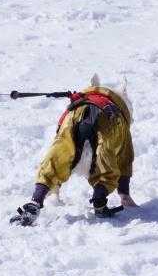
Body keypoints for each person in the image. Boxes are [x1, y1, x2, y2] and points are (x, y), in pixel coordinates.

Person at [10, 79, 138, 226]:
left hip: (75, 118)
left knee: (59, 153)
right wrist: (124, 193)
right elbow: (125, 159)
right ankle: (99, 201)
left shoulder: (79, 102)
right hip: (106, 124)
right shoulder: (117, 114)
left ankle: (35, 202)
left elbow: (60, 148)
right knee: (106, 157)